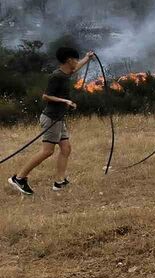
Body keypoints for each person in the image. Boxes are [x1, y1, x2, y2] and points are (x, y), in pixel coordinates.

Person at [8, 47, 94, 195]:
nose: (77, 62)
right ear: (68, 60)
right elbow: (46, 96)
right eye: (75, 59)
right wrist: (65, 101)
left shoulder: (67, 73)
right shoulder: (57, 76)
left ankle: (59, 182)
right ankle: (19, 178)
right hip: (51, 119)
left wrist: (87, 58)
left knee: (66, 148)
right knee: (47, 151)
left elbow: (77, 67)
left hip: (58, 119)